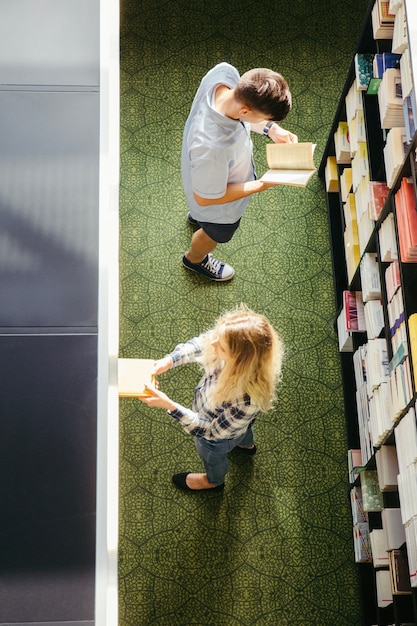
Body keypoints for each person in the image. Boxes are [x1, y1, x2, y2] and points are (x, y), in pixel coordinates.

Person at [138, 305, 284, 492]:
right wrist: (170, 360)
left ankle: (214, 481)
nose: (212, 343)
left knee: (213, 457)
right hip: (234, 424)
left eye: (221, 346)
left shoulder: (247, 400)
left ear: (240, 361)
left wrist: (170, 406)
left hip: (216, 437)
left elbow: (212, 431)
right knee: (243, 429)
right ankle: (247, 445)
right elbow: (202, 343)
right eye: (217, 336)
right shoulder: (231, 345)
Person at [181, 62, 298, 282]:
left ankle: (197, 217)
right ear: (245, 111)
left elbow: (243, 114)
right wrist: (263, 184)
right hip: (218, 207)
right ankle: (194, 259)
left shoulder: (225, 73)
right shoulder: (212, 148)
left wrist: (271, 129)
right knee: (214, 234)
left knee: (199, 211)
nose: (267, 122)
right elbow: (205, 198)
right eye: (267, 118)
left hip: (206, 176)